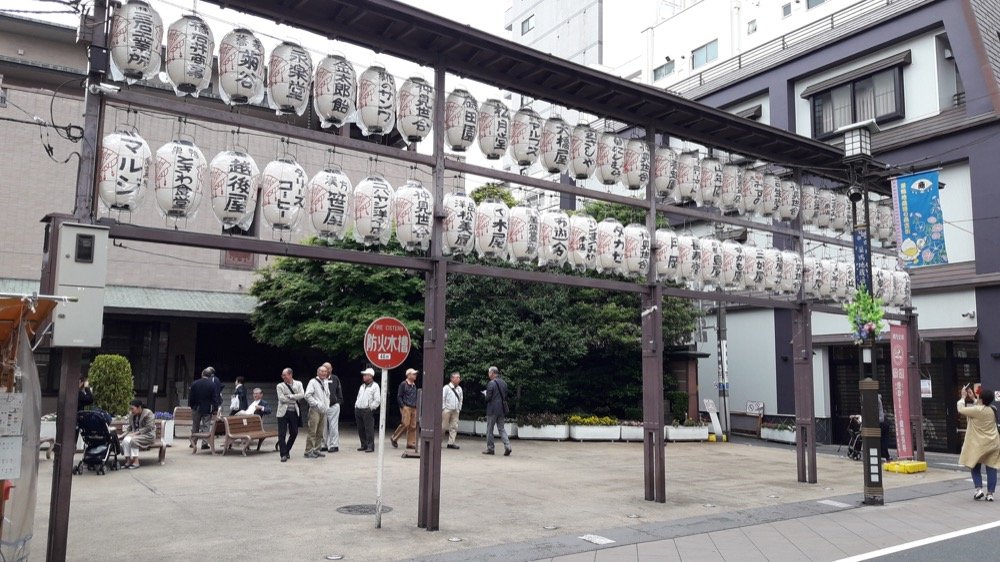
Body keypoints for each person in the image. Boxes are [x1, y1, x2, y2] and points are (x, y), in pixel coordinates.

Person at [958, 386, 1000, 501]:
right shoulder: (993, 409)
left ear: (981, 399)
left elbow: (961, 409)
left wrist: (963, 397)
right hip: (993, 443)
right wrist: (973, 398)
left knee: (975, 465)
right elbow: (982, 407)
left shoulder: (976, 410)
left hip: (979, 445)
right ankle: (990, 494)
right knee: (991, 468)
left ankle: (979, 490)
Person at [276, 368, 305, 463]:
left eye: (285, 375)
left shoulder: (298, 384)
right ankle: (283, 454)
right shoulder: (280, 386)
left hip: (294, 411)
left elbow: (302, 395)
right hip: (282, 412)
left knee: (294, 432)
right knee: (282, 434)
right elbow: (281, 399)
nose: (283, 377)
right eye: (282, 375)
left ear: (290, 374)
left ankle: (287, 449)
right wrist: (295, 397)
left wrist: (290, 396)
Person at [303, 366, 331, 459]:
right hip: (315, 410)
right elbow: (307, 395)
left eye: (325, 372)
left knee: (320, 431)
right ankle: (308, 451)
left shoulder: (325, 382)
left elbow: (327, 395)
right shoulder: (313, 382)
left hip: (323, 410)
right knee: (312, 431)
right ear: (318, 372)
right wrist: (316, 404)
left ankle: (317, 450)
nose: (324, 373)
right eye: (322, 371)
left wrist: (327, 405)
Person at [483, 366, 511, 456]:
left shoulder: (491, 383)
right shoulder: (504, 383)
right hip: (501, 409)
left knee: (489, 430)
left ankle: (490, 449)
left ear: (492, 373)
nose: (488, 374)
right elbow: (505, 396)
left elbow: (488, 398)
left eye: (489, 372)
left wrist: (485, 394)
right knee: (501, 429)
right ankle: (508, 446)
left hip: (492, 409)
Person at [120, 399, 155, 469]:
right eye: (130, 409)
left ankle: (136, 462)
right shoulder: (132, 415)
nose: (131, 411)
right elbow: (129, 428)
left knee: (133, 440)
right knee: (126, 440)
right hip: (136, 435)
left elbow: (149, 427)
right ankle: (128, 461)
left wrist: (135, 433)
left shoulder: (148, 413)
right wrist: (122, 435)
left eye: (132, 409)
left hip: (147, 435)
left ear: (139, 407)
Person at [190, 367, 221, 447]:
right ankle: (204, 443)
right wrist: (215, 409)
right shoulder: (212, 385)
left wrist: (192, 406)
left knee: (195, 425)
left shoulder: (195, 383)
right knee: (206, 426)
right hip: (207, 408)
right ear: (210, 376)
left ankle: (193, 442)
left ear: (202, 374)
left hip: (196, 408)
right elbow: (215, 398)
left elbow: (191, 397)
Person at [391, 368, 419, 450]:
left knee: (413, 426)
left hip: (414, 407)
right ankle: (394, 438)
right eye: (413, 374)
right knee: (405, 423)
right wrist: (403, 406)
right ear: (408, 375)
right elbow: (399, 396)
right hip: (406, 406)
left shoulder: (414, 385)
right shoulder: (403, 384)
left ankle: (410, 443)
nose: (415, 375)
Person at [355, 368, 381, 453]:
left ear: (370, 376)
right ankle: (364, 445)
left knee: (369, 428)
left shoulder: (375, 386)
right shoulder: (362, 386)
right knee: (360, 428)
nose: (364, 376)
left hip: (367, 410)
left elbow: (377, 400)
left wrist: (371, 408)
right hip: (359, 409)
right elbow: (358, 397)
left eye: (365, 375)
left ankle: (370, 446)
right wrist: (356, 405)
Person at [322, 363, 344, 453]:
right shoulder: (319, 379)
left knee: (333, 426)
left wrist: (339, 402)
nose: (327, 370)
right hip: (322, 406)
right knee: (323, 427)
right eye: (325, 368)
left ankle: (334, 445)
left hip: (333, 405)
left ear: (331, 369)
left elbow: (339, 390)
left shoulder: (335, 378)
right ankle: (323, 445)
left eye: (329, 368)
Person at [442, 372, 463, 450]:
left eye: (459, 377)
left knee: (454, 426)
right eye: (456, 377)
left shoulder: (459, 389)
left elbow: (461, 399)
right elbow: (442, 398)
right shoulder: (446, 388)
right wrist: (443, 408)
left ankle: (451, 442)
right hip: (447, 409)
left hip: (455, 410)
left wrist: (459, 408)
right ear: (452, 378)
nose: (458, 379)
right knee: (443, 426)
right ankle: (439, 441)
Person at [877, 394, 891, 462]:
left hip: (881, 422)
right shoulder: (877, 398)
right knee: (883, 439)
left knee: (881, 439)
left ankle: (884, 455)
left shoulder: (874, 399)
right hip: (883, 422)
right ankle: (886, 455)